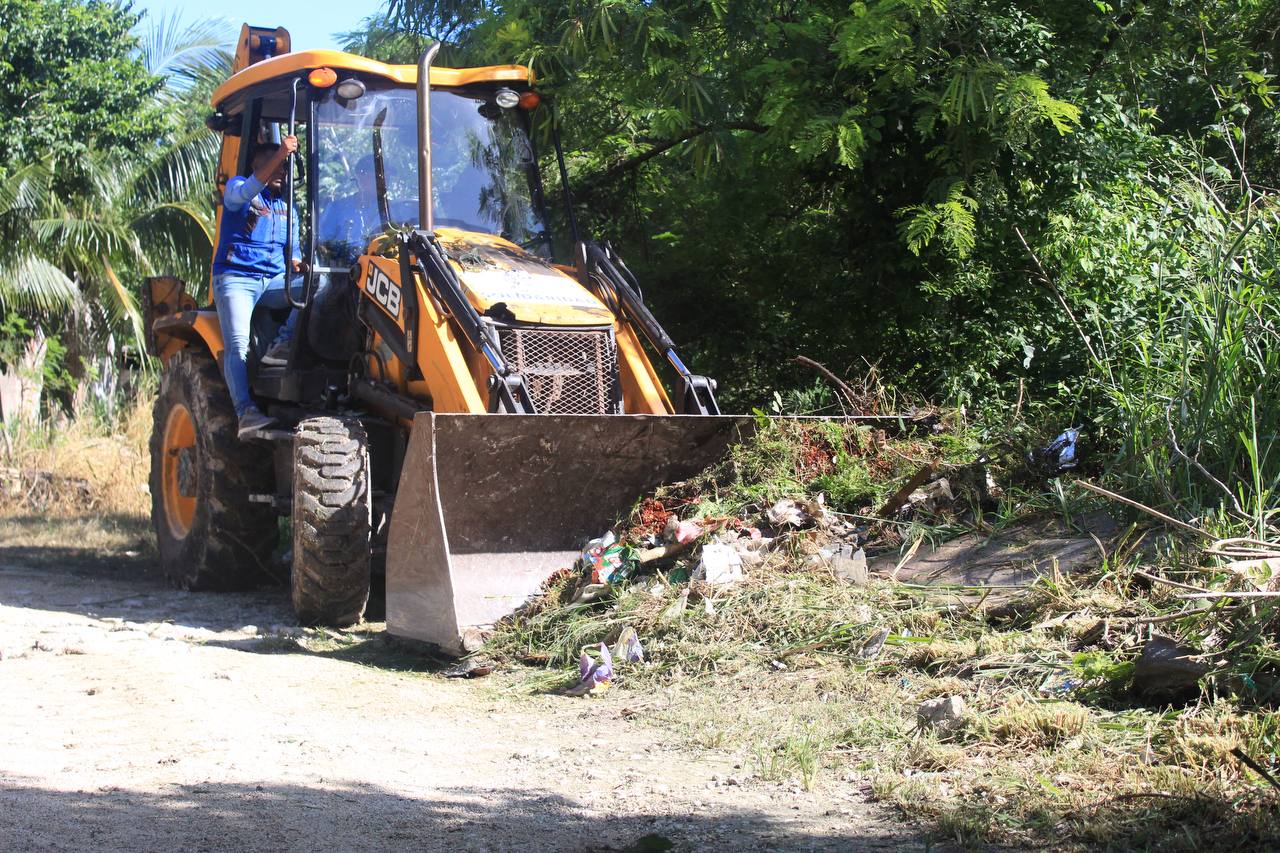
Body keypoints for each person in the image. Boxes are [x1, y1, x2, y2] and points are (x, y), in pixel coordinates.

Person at [211, 136, 302, 439]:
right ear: (255, 166)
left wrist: (298, 262)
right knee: (236, 344)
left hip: (273, 281)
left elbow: (295, 251)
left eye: (283, 166)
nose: (280, 171)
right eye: (273, 164)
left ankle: (282, 343)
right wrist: (281, 152)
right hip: (237, 280)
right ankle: (246, 413)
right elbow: (248, 189)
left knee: (322, 283)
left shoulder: (288, 208)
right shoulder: (239, 190)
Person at [317, 154, 382, 266]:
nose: (382, 181)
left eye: (384, 177)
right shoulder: (338, 208)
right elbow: (321, 243)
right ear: (359, 177)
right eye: (375, 176)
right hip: (344, 273)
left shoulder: (392, 210)